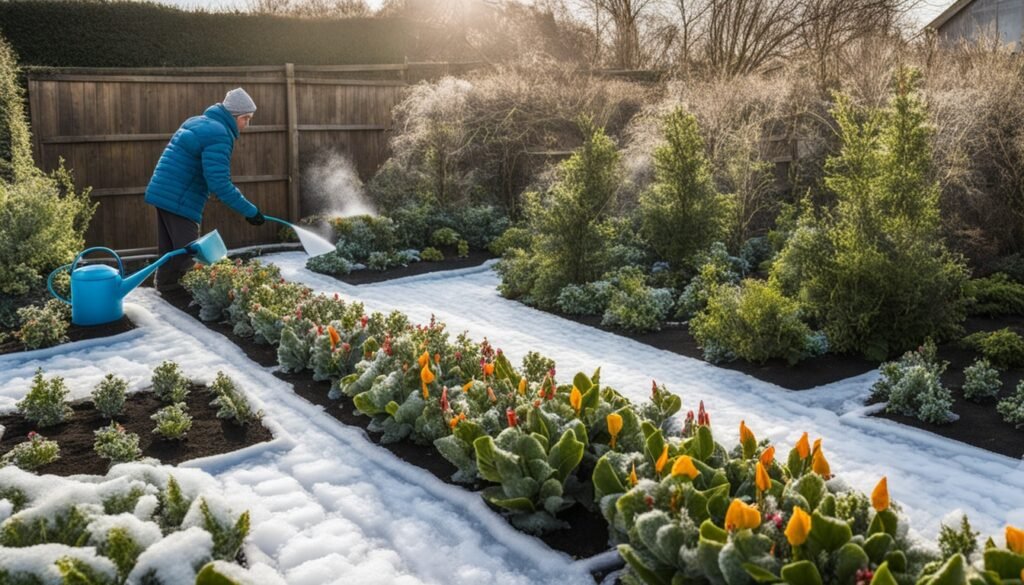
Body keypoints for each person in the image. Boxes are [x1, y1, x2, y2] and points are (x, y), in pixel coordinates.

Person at [144, 87, 266, 293]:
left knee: (170, 252)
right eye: (246, 118)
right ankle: (187, 300)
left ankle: (166, 291)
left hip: (163, 192)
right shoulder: (219, 134)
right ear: (233, 115)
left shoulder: (197, 121)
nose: (247, 124)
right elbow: (219, 184)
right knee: (189, 253)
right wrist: (251, 211)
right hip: (180, 198)